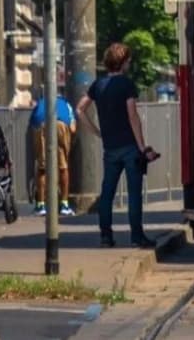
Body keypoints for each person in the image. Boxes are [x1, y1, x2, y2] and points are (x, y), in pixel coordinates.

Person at [76, 43, 159, 248]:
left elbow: (79, 109)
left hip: (110, 148)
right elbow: (133, 116)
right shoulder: (126, 84)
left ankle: (106, 236)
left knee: (107, 193)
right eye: (128, 60)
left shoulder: (98, 85)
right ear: (122, 63)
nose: (130, 63)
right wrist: (142, 147)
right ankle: (137, 237)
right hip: (130, 147)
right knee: (134, 194)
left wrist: (96, 131)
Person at [30, 90, 77, 216]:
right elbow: (73, 128)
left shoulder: (41, 102)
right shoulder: (66, 104)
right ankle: (64, 204)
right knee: (63, 167)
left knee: (42, 168)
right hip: (62, 124)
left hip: (41, 123)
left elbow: (33, 123)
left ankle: (41, 205)